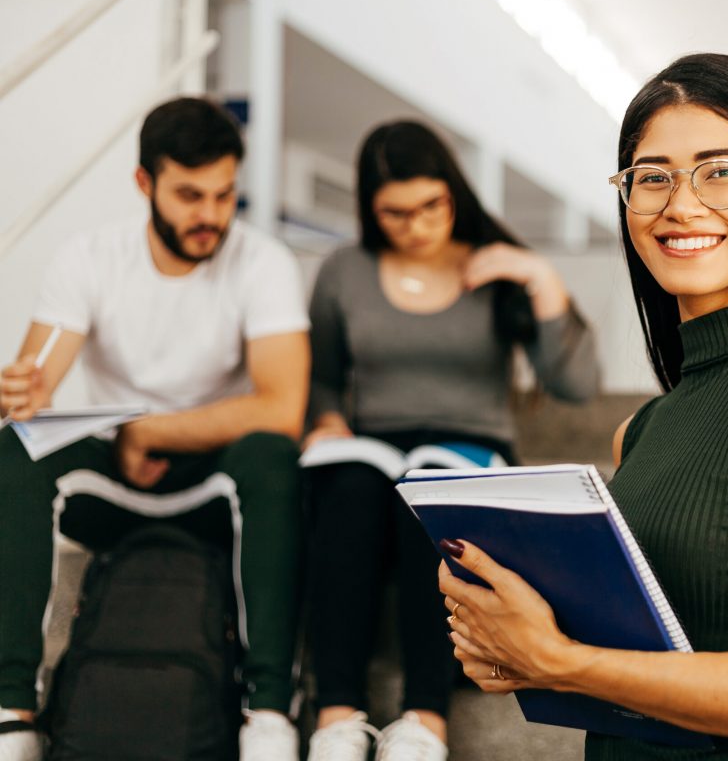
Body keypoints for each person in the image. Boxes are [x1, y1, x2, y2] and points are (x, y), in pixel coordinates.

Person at [438, 53, 728, 760]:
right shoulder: (644, 429)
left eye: (720, 172)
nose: (680, 204)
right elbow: (650, 671)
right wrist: (514, 648)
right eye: (651, 177)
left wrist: (563, 660)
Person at [0, 97, 310, 761]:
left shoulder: (263, 262)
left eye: (225, 195)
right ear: (145, 184)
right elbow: (37, 386)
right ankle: (12, 716)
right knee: (16, 449)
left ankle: (269, 715)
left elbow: (283, 406)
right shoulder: (88, 257)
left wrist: (154, 431)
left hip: (217, 484)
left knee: (274, 455)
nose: (210, 216)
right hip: (113, 483)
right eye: (190, 195)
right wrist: (22, 392)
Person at [303, 120, 599, 760]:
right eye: (396, 213)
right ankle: (336, 715)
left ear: (454, 193)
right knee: (348, 493)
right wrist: (326, 421)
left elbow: (576, 385)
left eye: (431, 205)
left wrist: (539, 279)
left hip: (469, 449)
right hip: (372, 451)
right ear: (370, 209)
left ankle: (426, 720)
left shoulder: (492, 265)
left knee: (429, 499)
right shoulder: (345, 272)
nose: (417, 224)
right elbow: (324, 378)